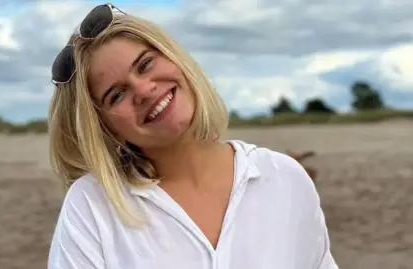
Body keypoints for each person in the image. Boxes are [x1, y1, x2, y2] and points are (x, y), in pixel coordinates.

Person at [47, 3, 338, 269]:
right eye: (117, 94)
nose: (145, 90)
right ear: (106, 128)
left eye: (146, 64)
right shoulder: (93, 207)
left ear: (175, 58)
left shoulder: (285, 178)